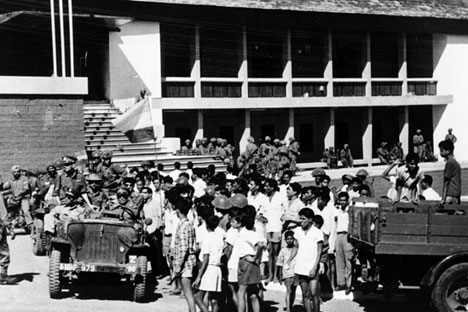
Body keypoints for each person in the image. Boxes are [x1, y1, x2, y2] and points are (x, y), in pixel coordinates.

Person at [234, 205, 265, 312]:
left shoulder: (247, 233)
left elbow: (260, 245)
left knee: (241, 292)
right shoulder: (244, 232)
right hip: (247, 262)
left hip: (247, 262)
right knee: (253, 293)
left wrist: (255, 258)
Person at [293, 208, 324, 312]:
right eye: (300, 219)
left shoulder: (317, 232)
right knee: (305, 294)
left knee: (314, 293)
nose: (301, 221)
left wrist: (315, 267)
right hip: (301, 267)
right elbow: (296, 247)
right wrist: (289, 261)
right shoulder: (297, 231)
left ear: (310, 219)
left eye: (303, 219)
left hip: (312, 267)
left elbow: (319, 251)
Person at [193, 215, 224, 312]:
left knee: (198, 298)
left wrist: (199, 277)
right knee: (214, 300)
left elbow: (206, 258)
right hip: (217, 269)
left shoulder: (207, 238)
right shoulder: (219, 238)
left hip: (208, 269)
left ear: (206, 225)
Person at [172, 197, 197, 312]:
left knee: (188, 293)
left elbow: (183, 248)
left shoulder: (182, 226)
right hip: (190, 261)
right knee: (189, 292)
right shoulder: (189, 224)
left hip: (185, 264)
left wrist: (177, 267)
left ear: (178, 211)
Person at [260, 178, 287, 283]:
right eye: (265, 186)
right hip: (267, 227)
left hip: (277, 227)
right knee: (269, 252)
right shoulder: (265, 198)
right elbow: (261, 211)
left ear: (273, 187)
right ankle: (271, 274)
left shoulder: (280, 197)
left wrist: (282, 221)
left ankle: (277, 275)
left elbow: (285, 210)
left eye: (268, 186)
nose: (266, 188)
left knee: (276, 252)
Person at [3, 165, 33, 231]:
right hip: (15, 199)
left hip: (24, 198)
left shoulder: (24, 179)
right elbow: (5, 186)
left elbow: (26, 189)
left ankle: (31, 225)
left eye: (18, 172)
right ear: (12, 173)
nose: (16, 173)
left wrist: (19, 195)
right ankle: (9, 224)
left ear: (20, 172)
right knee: (8, 210)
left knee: (26, 211)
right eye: (15, 172)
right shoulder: (11, 180)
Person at [334, 192, 354, 294]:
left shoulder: (350, 211)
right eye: (340, 200)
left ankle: (349, 284)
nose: (342, 202)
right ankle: (340, 283)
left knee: (348, 261)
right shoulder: (337, 211)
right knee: (339, 259)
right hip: (339, 235)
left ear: (347, 201)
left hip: (347, 236)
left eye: (344, 200)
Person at [276, 230, 298, 312]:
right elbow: (279, 264)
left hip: (295, 272)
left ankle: (290, 306)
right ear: (285, 240)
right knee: (288, 290)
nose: (289, 240)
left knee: (294, 290)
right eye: (288, 239)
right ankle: (288, 308)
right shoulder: (283, 250)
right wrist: (279, 276)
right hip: (287, 273)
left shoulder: (297, 250)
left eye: (291, 238)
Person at [439, 139, 461, 205]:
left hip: (451, 193)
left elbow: (446, 181)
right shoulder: (454, 162)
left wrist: (443, 198)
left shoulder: (450, 163)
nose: (440, 153)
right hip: (456, 192)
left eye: (441, 151)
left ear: (448, 151)